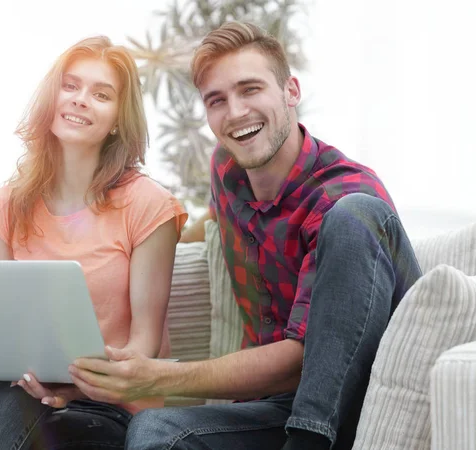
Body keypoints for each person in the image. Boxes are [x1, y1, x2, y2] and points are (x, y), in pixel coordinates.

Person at [68, 22, 423, 450]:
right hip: (274, 411)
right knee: (156, 432)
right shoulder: (228, 171)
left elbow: (302, 361)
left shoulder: (342, 197)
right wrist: (134, 244)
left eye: (250, 89)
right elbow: (206, 223)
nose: (235, 112)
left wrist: (159, 375)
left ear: (291, 91)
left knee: (358, 214)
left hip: (350, 403)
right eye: (217, 100)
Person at [0, 36, 187, 450]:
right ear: (51, 97)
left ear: (117, 118)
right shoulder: (7, 205)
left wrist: (74, 390)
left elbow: (143, 348)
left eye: (101, 94)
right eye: (71, 86)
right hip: (18, 394)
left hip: (108, 404)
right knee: (10, 401)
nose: (80, 100)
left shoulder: (149, 206)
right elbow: (3, 330)